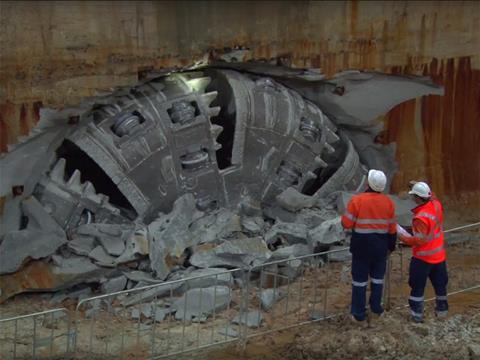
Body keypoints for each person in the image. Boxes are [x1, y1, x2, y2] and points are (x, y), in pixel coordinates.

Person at [341, 169, 397, 324]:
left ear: (368, 183)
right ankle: (376, 308)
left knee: (359, 281)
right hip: (380, 247)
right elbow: (392, 229)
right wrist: (390, 247)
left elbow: (346, 223)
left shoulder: (357, 201)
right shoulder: (389, 203)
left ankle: (358, 313)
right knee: (378, 279)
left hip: (361, 248)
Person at [397, 181, 448, 323]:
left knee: (417, 287)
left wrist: (399, 232)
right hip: (439, 256)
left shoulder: (421, 218)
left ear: (418, 198)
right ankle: (442, 313)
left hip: (423, 259)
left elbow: (418, 240)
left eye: (414, 196)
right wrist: (416, 183)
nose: (413, 199)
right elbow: (433, 197)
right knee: (440, 286)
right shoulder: (436, 205)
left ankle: (416, 316)